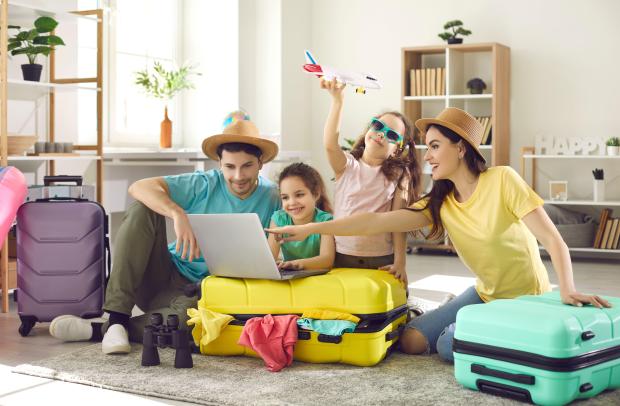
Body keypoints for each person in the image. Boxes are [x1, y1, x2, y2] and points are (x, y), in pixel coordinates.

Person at [267, 107, 611, 362]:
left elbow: (553, 240)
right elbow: (372, 222)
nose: (427, 156)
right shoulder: (439, 203)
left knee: (449, 344)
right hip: (484, 293)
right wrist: (307, 227)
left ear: (460, 148)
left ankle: (479, 325)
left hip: (524, 298)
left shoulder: (503, 180)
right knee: (412, 341)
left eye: (434, 146)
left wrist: (566, 288)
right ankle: (466, 316)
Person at [49, 120, 282, 354]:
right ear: (219, 162)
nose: (238, 176)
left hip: (205, 294)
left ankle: (104, 330)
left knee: (197, 325)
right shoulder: (203, 184)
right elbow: (139, 187)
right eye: (230, 167)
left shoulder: (274, 196)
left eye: (247, 166)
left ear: (261, 163)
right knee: (142, 208)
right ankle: (117, 315)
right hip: (159, 277)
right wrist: (177, 212)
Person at [320, 78, 421, 284]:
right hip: (342, 254)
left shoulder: (400, 175)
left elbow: (398, 221)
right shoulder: (347, 165)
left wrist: (400, 262)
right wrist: (337, 101)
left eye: (391, 135)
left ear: (398, 149)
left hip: (381, 258)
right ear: (369, 129)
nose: (381, 135)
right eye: (378, 126)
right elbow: (330, 144)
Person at [267, 162, 335, 270]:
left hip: (319, 276)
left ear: (316, 194)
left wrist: (297, 264)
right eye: (285, 197)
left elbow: (327, 260)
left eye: (299, 195)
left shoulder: (326, 221)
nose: (292, 202)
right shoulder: (278, 219)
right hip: (291, 274)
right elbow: (269, 258)